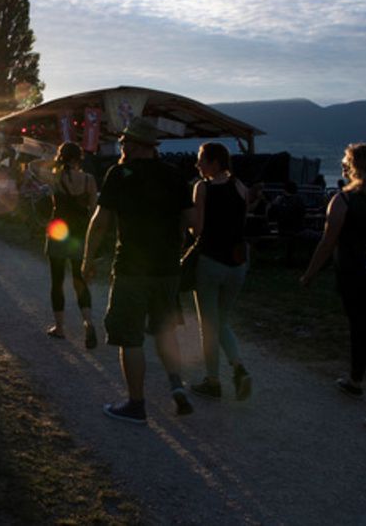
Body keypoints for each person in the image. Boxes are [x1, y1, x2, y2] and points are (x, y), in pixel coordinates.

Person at [82, 117, 194, 423]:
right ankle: (176, 387)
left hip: (132, 267)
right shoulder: (174, 175)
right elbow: (193, 221)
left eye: (123, 141)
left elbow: (101, 221)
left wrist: (88, 259)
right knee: (165, 329)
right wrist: (180, 240)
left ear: (133, 145)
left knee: (129, 337)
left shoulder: (119, 174)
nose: (121, 145)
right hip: (168, 268)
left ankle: (136, 404)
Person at [301, 143, 366, 433]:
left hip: (355, 278)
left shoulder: (343, 200)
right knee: (363, 327)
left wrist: (309, 274)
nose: (343, 167)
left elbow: (327, 243)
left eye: (346, 162)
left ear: (354, 166)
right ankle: (354, 381)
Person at [187, 142, 253, 401]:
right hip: (238, 264)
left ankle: (213, 380)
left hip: (210, 261)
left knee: (208, 323)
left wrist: (189, 227)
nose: (198, 165)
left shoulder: (202, 188)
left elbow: (198, 228)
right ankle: (238, 367)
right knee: (221, 320)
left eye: (201, 160)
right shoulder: (241, 187)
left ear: (214, 162)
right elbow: (241, 223)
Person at [44, 142, 98, 348]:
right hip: (79, 234)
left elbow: (32, 167)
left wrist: (56, 161)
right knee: (80, 280)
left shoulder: (55, 176)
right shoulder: (89, 180)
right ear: (79, 158)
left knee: (57, 281)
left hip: (58, 231)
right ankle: (88, 322)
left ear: (61, 157)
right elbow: (94, 210)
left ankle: (59, 328)